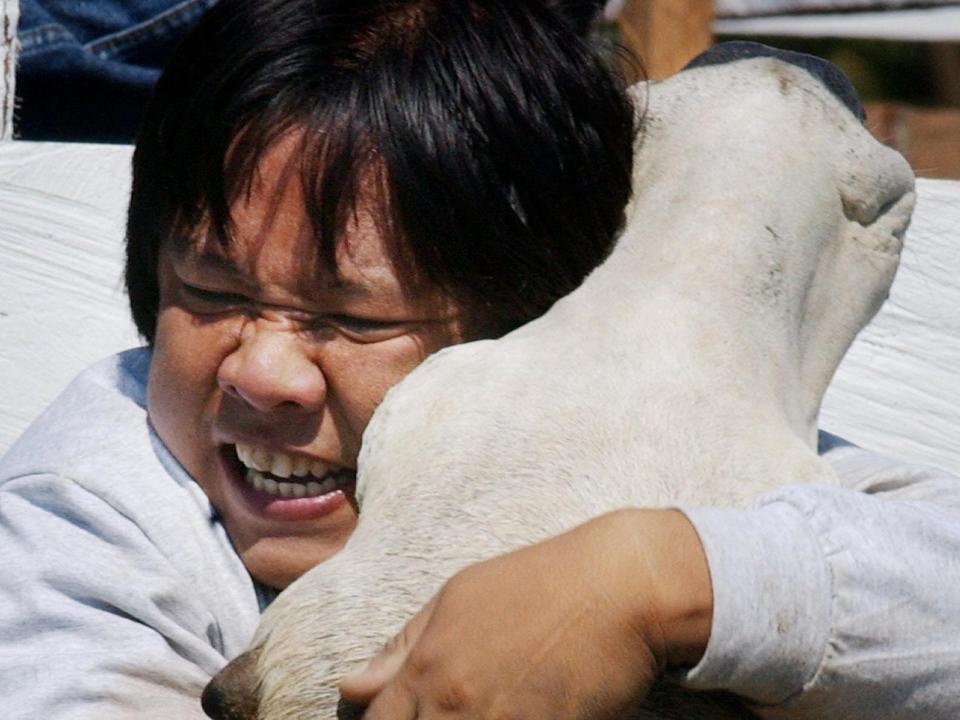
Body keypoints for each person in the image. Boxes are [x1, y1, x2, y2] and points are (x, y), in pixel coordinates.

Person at [0, 2, 957, 720]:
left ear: (534, 320)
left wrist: (657, 579)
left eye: (350, 316)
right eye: (210, 296)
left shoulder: (646, 428)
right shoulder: (95, 505)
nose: (263, 373)